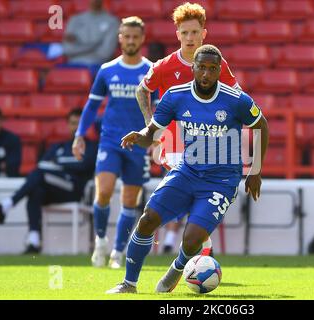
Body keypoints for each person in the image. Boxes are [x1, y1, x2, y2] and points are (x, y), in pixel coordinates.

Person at [106, 45, 269, 294]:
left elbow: (261, 125)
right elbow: (153, 132)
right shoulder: (175, 95)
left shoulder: (235, 100)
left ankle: (178, 267)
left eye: (212, 69)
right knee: (148, 219)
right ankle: (129, 284)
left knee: (192, 239)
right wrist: (140, 135)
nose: (206, 74)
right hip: (187, 171)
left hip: (221, 179)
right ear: (193, 67)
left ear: (219, 70)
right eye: (201, 67)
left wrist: (255, 170)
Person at [136, 2, 240, 254]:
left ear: (204, 33)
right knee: (190, 193)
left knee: (194, 197)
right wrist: (152, 127)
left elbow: (237, 98)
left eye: (195, 32)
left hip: (208, 144)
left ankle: (199, 249)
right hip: (173, 144)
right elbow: (142, 90)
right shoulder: (165, 66)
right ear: (177, 35)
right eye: (185, 33)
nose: (190, 38)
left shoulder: (217, 65)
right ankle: (202, 252)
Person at [72, 16, 158, 269]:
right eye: (126, 36)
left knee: (130, 200)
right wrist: (79, 134)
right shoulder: (107, 70)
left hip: (139, 143)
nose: (130, 40)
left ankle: (118, 253)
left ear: (142, 39)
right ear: (120, 38)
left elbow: (162, 105)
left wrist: (157, 137)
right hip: (110, 141)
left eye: (135, 37)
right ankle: (100, 241)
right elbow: (92, 105)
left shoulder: (152, 70)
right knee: (104, 192)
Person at [0, 109, 97, 254]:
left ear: (86, 126)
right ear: (67, 125)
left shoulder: (93, 147)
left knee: (38, 174)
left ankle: (6, 206)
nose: (76, 127)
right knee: (36, 190)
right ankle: (33, 241)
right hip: (56, 189)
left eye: (80, 124)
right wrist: (66, 164)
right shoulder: (59, 147)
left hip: (75, 190)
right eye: (73, 123)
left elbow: (85, 165)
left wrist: (58, 163)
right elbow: (43, 163)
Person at [62, 0, 120, 67]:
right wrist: (93, 46)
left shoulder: (112, 22)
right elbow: (67, 50)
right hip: (72, 63)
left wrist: (80, 48)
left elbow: (106, 53)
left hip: (97, 64)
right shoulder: (75, 20)